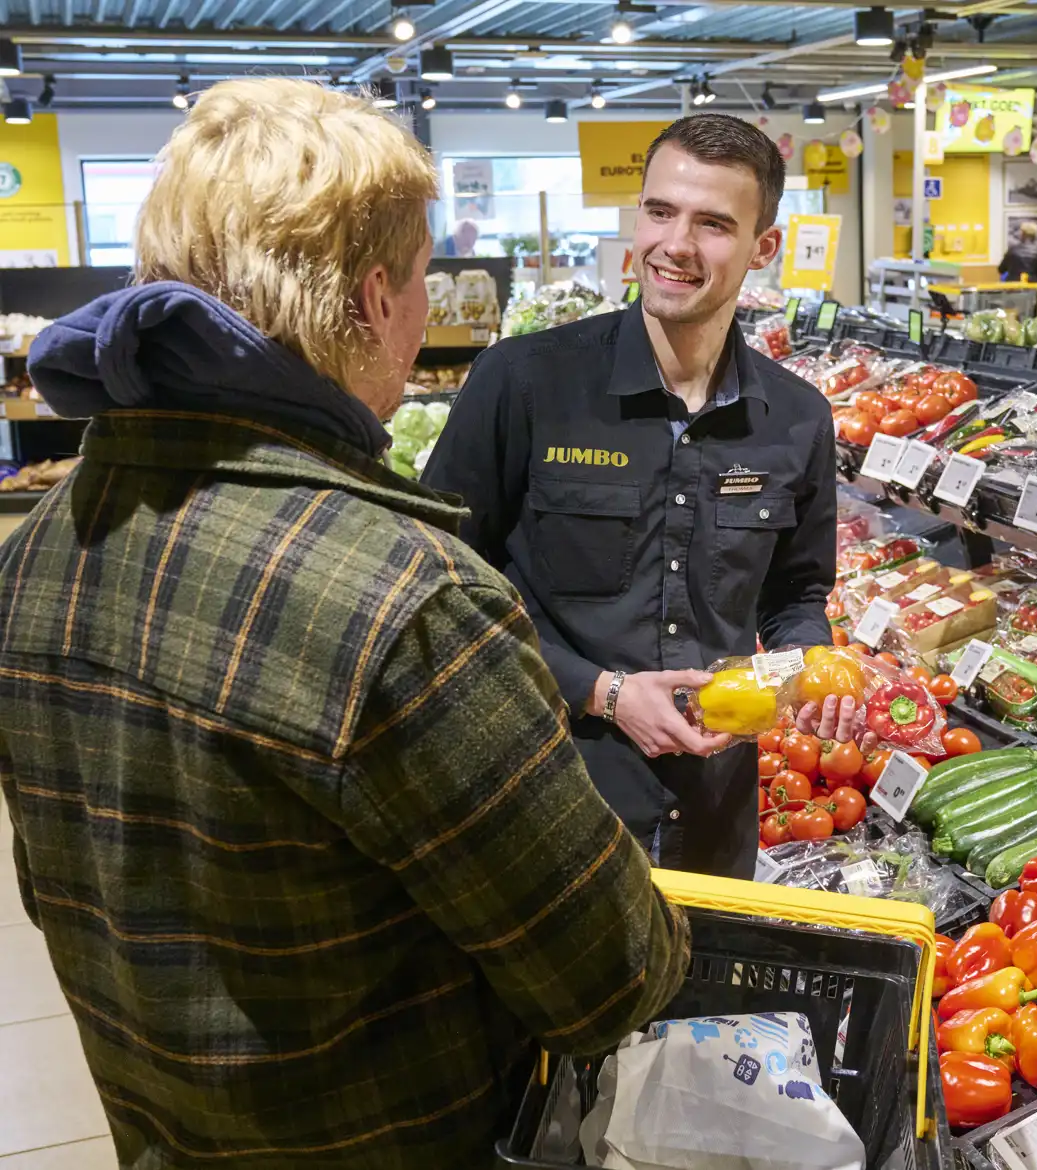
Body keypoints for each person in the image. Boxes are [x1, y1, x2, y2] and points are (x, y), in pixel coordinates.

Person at [0, 78, 687, 1168]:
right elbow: (609, 975)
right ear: (374, 300)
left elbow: (57, 892)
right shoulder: (407, 604)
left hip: (160, 1128)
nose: (424, 312)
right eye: (422, 279)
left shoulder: (41, 543)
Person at [422, 114, 841, 879]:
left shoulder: (799, 418)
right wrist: (603, 692)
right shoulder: (523, 384)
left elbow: (797, 591)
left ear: (764, 248)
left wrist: (811, 668)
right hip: (544, 804)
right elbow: (440, 585)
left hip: (712, 823)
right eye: (659, 212)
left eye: (713, 224)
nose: (674, 246)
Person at [997, 220, 1037, 284]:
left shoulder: (1012, 250)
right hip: (1030, 288)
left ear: (1022, 234)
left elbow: (1001, 269)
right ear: (1035, 235)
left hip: (1012, 287)